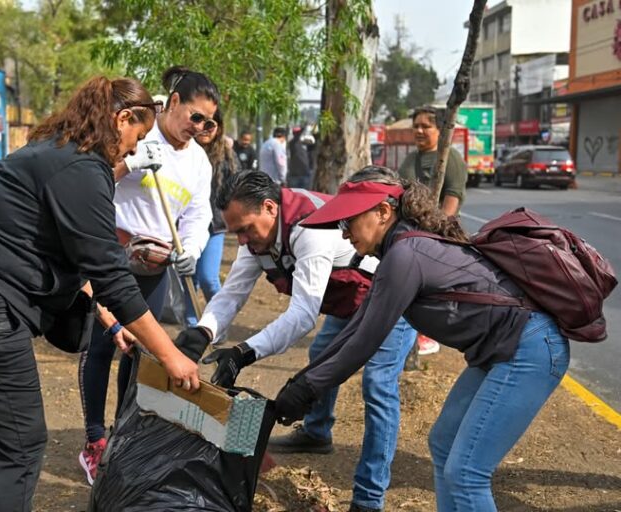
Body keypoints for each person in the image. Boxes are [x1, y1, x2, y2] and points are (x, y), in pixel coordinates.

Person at [0, 76, 201, 512]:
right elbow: (112, 277)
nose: (135, 150)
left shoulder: (52, 152)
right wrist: (172, 357)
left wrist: (111, 323)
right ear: (122, 119)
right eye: (136, 136)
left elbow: (71, 257)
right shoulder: (83, 170)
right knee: (21, 444)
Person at [274, 167, 570, 512]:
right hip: (506, 349)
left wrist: (307, 388)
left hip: (528, 348)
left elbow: (365, 341)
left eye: (348, 221)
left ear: (383, 212)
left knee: (467, 473)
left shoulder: (406, 255)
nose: (343, 234)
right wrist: (302, 383)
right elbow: (357, 328)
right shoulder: (399, 251)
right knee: (443, 443)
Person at [173, 171, 417, 512]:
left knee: (378, 385)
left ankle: (368, 499)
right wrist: (203, 332)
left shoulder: (309, 229)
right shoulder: (257, 237)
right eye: (236, 232)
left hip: (391, 291)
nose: (241, 240)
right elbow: (232, 294)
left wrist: (245, 351)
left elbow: (303, 315)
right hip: (348, 297)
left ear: (271, 208)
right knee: (321, 354)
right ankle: (317, 433)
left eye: (245, 229)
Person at [77, 66, 218, 485]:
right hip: (111, 252)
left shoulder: (198, 163)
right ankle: (94, 439)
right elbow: (91, 174)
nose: (200, 128)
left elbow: (197, 215)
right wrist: (131, 161)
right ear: (173, 102)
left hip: (154, 267)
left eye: (208, 122)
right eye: (195, 116)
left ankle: (124, 433)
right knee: (101, 344)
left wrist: (189, 251)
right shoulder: (135, 127)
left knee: (138, 353)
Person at [398, 105, 467, 356]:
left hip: (436, 236)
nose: (419, 130)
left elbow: (452, 199)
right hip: (410, 235)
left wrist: (436, 233)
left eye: (426, 126)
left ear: (440, 129)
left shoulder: (450, 159)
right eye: (416, 125)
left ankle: (426, 335)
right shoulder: (411, 159)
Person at [181, 107, 239, 328]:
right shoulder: (184, 152)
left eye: (210, 124)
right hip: (185, 225)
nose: (204, 129)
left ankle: (217, 324)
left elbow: (237, 186)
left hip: (214, 226)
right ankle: (191, 327)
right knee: (189, 279)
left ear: (219, 127)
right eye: (199, 122)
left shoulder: (226, 155)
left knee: (208, 278)